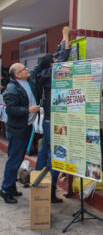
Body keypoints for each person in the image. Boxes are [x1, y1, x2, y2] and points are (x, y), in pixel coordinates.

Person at [35, 26, 71, 203]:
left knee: (44, 152)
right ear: (51, 64)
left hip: (47, 121)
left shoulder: (44, 73)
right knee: (55, 155)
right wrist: (65, 34)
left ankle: (38, 185)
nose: (57, 60)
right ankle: (49, 191)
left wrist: (60, 43)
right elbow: (64, 56)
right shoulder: (51, 74)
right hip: (54, 122)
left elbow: (59, 54)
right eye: (54, 60)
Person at [0, 63, 40, 203]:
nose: (27, 69)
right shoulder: (11, 89)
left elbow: (36, 70)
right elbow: (11, 110)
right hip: (18, 130)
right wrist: (28, 110)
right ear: (17, 74)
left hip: (26, 126)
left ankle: (10, 187)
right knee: (14, 160)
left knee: (17, 159)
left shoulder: (26, 81)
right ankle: (5, 190)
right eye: (24, 69)